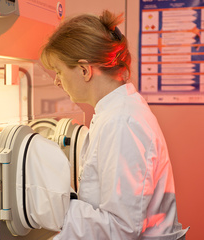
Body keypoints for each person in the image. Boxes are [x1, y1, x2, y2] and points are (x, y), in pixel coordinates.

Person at [39, 10, 189, 240]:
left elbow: (120, 227)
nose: (57, 80)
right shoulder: (114, 113)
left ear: (84, 70)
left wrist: (53, 206)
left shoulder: (123, 122)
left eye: (59, 71)